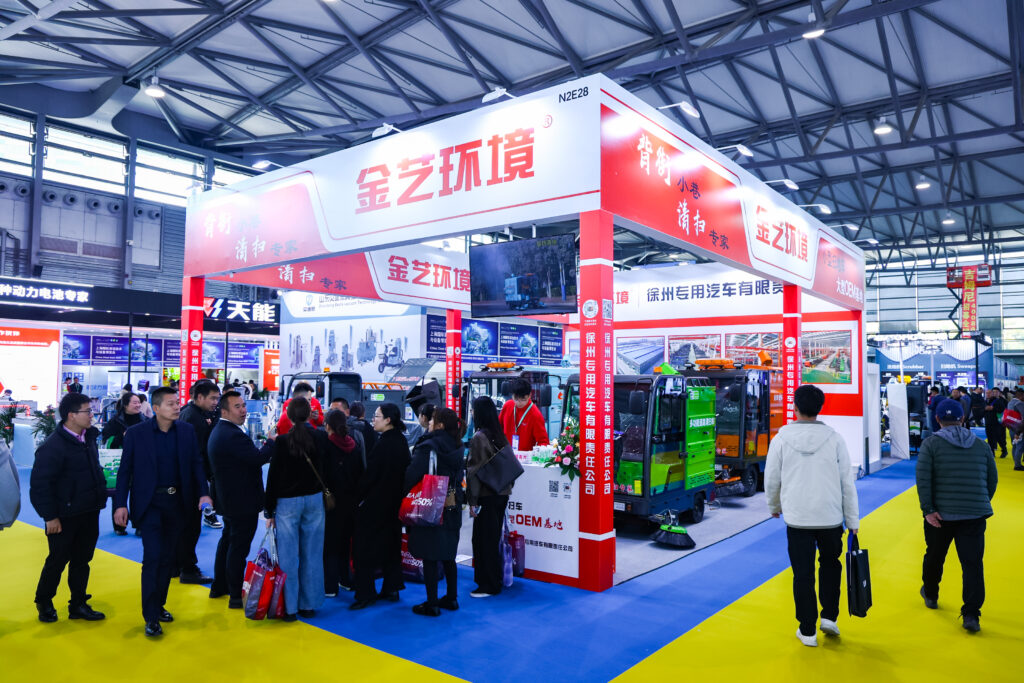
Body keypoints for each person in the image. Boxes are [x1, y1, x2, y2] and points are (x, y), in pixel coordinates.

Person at [764, 384, 859, 647]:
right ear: (820, 408)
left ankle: (807, 631)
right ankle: (829, 617)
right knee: (831, 565)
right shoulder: (835, 439)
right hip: (830, 517)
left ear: (794, 407)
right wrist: (852, 520)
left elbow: (772, 478)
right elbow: (847, 483)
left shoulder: (781, 439)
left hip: (798, 518)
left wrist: (774, 505)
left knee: (802, 574)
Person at [113, 387, 212, 637]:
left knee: (168, 559)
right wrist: (120, 504)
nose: (177, 407)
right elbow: (125, 471)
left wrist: (203, 492)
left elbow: (196, 464)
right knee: (152, 558)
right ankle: (150, 616)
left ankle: (159, 605)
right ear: (155, 408)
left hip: (178, 503)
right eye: (170, 404)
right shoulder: (137, 434)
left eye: (177, 403)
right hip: (149, 505)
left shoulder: (186, 431)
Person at [917, 398, 998, 633]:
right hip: (974, 515)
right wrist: (978, 503)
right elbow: (992, 480)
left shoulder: (930, 444)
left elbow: (923, 479)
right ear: (963, 418)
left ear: (937, 419)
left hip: (940, 516)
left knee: (934, 556)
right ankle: (971, 614)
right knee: (972, 564)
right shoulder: (981, 445)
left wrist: (928, 510)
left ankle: (930, 594)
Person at [29, 392, 107, 623]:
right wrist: (50, 516)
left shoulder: (88, 438)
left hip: (89, 510)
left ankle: (78, 604)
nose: (92, 415)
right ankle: (44, 601)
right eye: (88, 411)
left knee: (82, 560)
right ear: (71, 415)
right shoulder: (53, 446)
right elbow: (40, 485)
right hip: (63, 515)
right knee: (57, 560)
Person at [207, 390, 276, 608]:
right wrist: (271, 442)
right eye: (237, 407)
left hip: (230, 499)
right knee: (238, 547)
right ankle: (236, 594)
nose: (243, 410)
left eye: (244, 405)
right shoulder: (232, 435)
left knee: (228, 541)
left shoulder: (222, 431)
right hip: (241, 501)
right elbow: (257, 458)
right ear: (224, 411)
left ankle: (220, 586)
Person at [265, 397, 328, 620]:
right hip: (315, 500)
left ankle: (289, 608)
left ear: (288, 416)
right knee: (312, 554)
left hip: (287, 503)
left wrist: (268, 509)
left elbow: (273, 477)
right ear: (310, 414)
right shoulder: (321, 437)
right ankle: (308, 605)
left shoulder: (282, 441)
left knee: (288, 556)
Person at [405, 407, 465, 616]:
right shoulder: (458, 446)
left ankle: (432, 603)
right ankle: (452, 598)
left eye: (432, 420)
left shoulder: (428, 446)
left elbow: (412, 475)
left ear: (439, 425)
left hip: (431, 502)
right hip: (452, 501)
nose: (429, 423)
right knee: (449, 553)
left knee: (429, 554)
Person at [350, 403, 410, 610]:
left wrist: (357, 496)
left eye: (376, 416)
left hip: (375, 504)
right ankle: (392, 587)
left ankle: (365, 593)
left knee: (363, 549)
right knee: (391, 546)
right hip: (395, 504)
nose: (373, 420)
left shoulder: (383, 444)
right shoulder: (401, 441)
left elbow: (371, 475)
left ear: (388, 420)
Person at [467, 395, 516, 598]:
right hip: (501, 493)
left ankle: (488, 584)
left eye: (473, 410)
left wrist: (472, 501)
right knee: (492, 538)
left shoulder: (479, 437)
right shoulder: (498, 434)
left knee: (482, 540)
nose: (471, 413)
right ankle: (493, 580)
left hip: (486, 495)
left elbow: (473, 471)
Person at [178, 381, 222, 584]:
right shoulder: (191, 417)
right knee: (190, 526)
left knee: (187, 525)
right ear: (199, 397)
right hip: (191, 480)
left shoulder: (199, 415)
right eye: (212, 398)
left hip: (193, 478)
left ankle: (179, 564)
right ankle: (187, 568)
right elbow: (194, 454)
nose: (215, 402)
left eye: (217, 398)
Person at [323, 409, 365, 596]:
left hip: (332, 503)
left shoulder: (326, 446)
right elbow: (360, 473)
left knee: (330, 545)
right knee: (345, 544)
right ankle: (346, 579)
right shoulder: (353, 445)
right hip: (351, 502)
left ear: (328, 426)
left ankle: (330, 586)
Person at [101, 392, 146, 535]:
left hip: (141, 462)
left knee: (140, 495)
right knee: (119, 494)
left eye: (139, 402)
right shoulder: (114, 422)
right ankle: (119, 526)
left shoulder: (145, 420)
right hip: (119, 463)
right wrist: (122, 437)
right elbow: (107, 442)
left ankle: (140, 525)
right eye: (134, 402)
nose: (138, 405)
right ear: (125, 405)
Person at [498, 378, 549, 452]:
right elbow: (498, 429)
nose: (519, 403)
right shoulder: (507, 406)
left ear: (529, 395)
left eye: (523, 399)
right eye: (516, 399)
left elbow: (543, 442)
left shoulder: (535, 414)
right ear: (512, 395)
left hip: (525, 456)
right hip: (507, 454)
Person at [983, 388, 1008, 458]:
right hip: (988, 422)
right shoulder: (985, 401)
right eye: (986, 393)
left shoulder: (998, 401)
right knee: (990, 438)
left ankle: (1004, 450)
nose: (988, 394)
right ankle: (992, 453)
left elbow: (1003, 409)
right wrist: (984, 409)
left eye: (989, 393)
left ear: (992, 394)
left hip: (997, 423)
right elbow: (981, 410)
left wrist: (993, 408)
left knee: (999, 438)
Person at [1007, 388, 1024, 471]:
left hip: (1011, 427)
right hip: (1019, 429)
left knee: (1014, 446)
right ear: (1021, 395)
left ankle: (1016, 463)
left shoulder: (1010, 403)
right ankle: (1017, 465)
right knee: (1020, 447)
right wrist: (1019, 431)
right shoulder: (1020, 404)